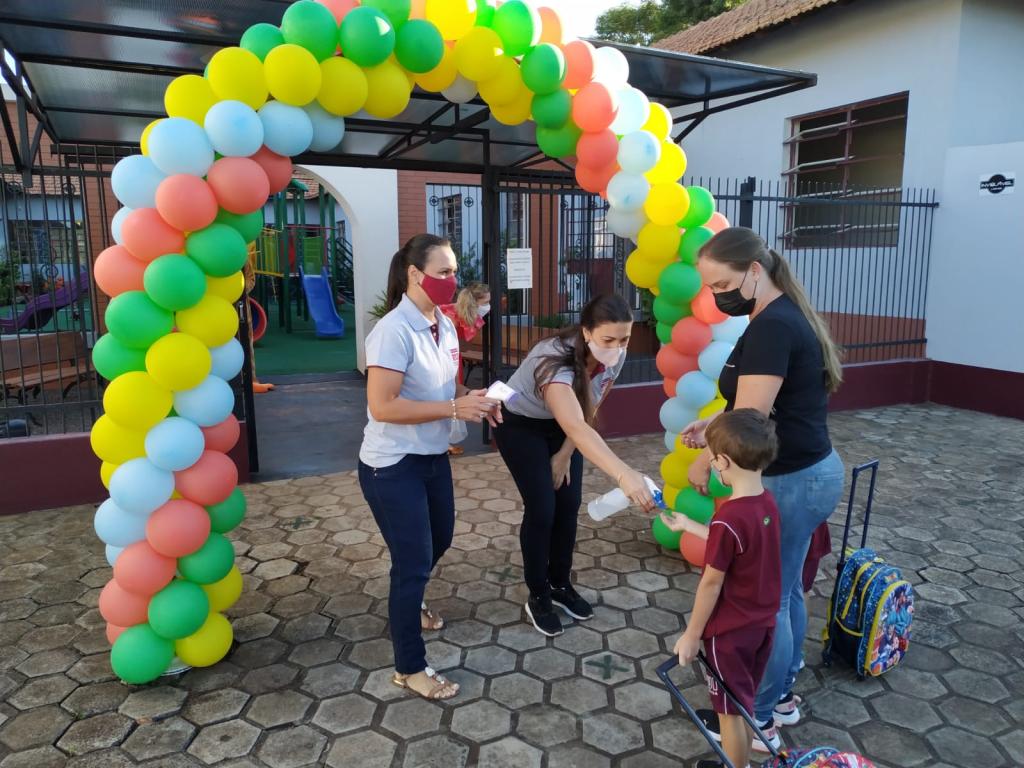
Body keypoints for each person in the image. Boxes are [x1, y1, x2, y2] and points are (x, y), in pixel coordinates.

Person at [680, 227, 845, 750]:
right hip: (807, 471)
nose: (716, 297)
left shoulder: (773, 326)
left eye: (722, 285)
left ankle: (761, 717)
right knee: (785, 588)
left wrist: (707, 458)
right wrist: (712, 423)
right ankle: (781, 699)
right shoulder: (773, 316)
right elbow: (753, 401)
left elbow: (751, 416)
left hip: (792, 478)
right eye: (710, 288)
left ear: (755, 271)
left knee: (764, 601)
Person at [358, 233, 501, 701]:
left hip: (432, 455)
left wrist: (473, 400)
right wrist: (454, 409)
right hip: (391, 465)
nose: (452, 280)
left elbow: (444, 390)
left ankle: (411, 597)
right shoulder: (393, 331)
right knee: (413, 562)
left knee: (439, 539)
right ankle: (410, 667)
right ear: (414, 274)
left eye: (454, 271)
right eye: (444, 272)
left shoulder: (442, 323)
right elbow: (383, 406)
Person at [494, 293, 656, 637]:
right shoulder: (553, 359)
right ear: (586, 332)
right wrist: (625, 474)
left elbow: (589, 408)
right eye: (608, 340)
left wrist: (565, 454)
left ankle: (559, 584)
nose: (617, 348)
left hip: (566, 428)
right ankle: (538, 594)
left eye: (624, 340)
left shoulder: (615, 355)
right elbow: (576, 424)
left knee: (568, 504)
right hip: (521, 425)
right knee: (542, 508)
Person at [663, 408, 781, 768]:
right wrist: (689, 526)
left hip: (729, 633)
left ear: (724, 462)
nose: (713, 465)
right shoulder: (766, 503)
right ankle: (737, 762)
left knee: (728, 713)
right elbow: (733, 546)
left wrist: (691, 635)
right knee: (742, 704)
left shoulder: (729, 516)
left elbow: (712, 582)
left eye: (713, 459)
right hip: (761, 625)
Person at [441, 282, 491, 456]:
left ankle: (444, 440)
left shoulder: (458, 312)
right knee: (446, 395)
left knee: (451, 393)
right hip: (446, 361)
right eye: (485, 303)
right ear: (474, 302)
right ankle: (443, 440)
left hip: (453, 358)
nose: (487, 307)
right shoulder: (451, 317)